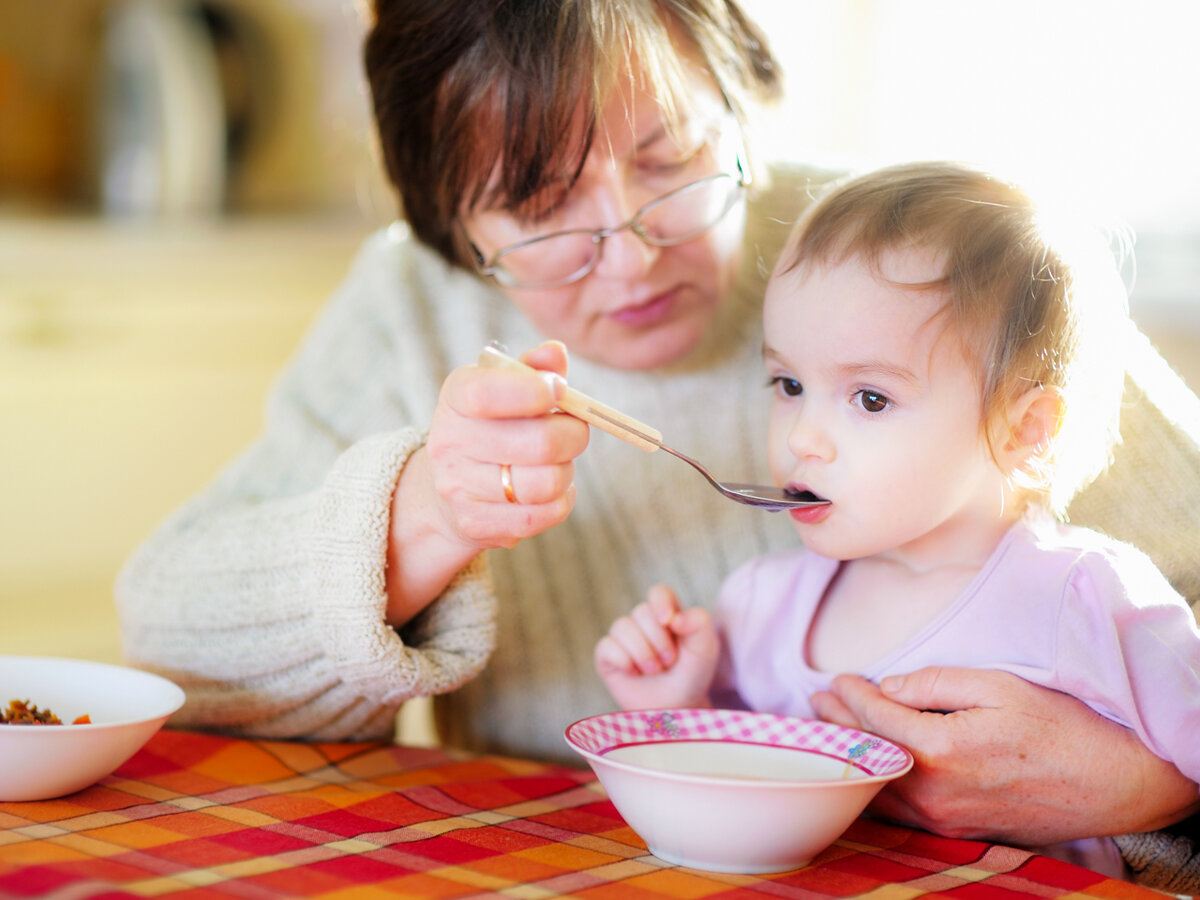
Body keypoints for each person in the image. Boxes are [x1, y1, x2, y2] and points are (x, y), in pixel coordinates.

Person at [115, 0, 1200, 889]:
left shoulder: (929, 262)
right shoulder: (410, 305)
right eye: (540, 209)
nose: (632, 258)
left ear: (741, 97)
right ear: (452, 226)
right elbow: (168, 637)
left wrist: (1156, 795)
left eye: (673, 159)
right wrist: (429, 516)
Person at [593, 160, 1200, 882]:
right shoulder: (758, 605)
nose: (801, 438)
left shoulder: (1088, 595)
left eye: (870, 399)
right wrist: (678, 706)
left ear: (1025, 430)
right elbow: (736, 791)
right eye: (789, 384)